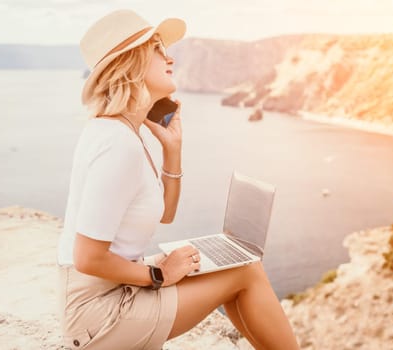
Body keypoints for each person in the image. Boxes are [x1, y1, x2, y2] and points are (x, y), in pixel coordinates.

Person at [57, 9, 300, 350]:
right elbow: (87, 257)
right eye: (156, 48)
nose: (169, 57)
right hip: (100, 313)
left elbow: (165, 214)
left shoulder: (124, 132)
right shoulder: (118, 144)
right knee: (246, 272)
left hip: (114, 289)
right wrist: (160, 274)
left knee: (235, 264)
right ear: (132, 63)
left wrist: (172, 149)